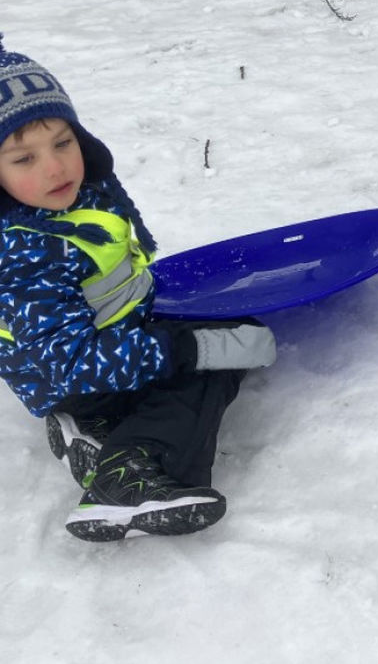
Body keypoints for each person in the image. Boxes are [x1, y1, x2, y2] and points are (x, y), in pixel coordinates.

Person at [0, 34, 277, 542]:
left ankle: (97, 435)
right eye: (24, 159)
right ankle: (126, 475)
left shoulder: (80, 197)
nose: (56, 166)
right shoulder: (24, 255)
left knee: (234, 336)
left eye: (63, 143)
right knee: (203, 374)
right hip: (76, 375)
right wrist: (178, 349)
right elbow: (68, 359)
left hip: (117, 338)